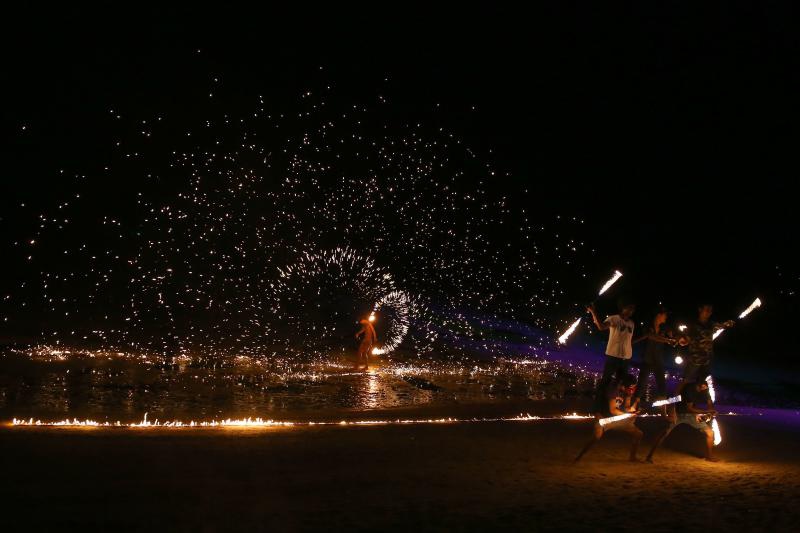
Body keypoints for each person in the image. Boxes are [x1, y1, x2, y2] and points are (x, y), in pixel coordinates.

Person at [645, 378, 720, 462]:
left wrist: (710, 412)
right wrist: (707, 411)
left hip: (691, 415)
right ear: (701, 386)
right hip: (677, 414)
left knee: (710, 433)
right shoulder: (689, 389)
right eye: (705, 387)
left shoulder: (705, 389)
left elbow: (709, 403)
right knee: (663, 433)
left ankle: (709, 457)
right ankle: (649, 456)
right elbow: (690, 408)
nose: (706, 389)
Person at [575, 373, 643, 462]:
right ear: (623, 385)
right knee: (596, 436)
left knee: (638, 434)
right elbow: (613, 410)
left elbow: (627, 407)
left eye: (633, 387)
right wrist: (627, 415)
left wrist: (633, 411)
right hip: (604, 418)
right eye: (630, 387)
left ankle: (632, 457)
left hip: (618, 419)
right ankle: (579, 456)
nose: (632, 390)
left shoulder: (628, 392)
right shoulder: (613, 389)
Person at [676, 303, 735, 393]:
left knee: (703, 383)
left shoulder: (711, 324)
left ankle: (695, 399)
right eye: (706, 309)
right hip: (695, 360)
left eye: (710, 310)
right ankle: (674, 399)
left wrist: (728, 324)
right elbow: (687, 339)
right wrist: (683, 341)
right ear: (700, 309)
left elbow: (722, 325)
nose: (709, 312)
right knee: (685, 381)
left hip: (707, 359)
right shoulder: (693, 325)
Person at [587, 301, 636, 394]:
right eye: (629, 307)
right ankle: (600, 401)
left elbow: (628, 339)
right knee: (606, 380)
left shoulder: (631, 323)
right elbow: (601, 327)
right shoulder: (614, 319)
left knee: (621, 383)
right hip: (613, 356)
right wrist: (593, 312)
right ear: (623, 308)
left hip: (626, 358)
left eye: (633, 308)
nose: (632, 310)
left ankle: (614, 400)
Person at [632, 305, 676, 408]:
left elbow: (673, 336)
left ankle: (663, 410)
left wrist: (677, 339)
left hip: (658, 359)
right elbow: (651, 336)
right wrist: (668, 340)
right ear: (659, 315)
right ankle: (633, 405)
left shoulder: (664, 328)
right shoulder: (648, 325)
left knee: (662, 384)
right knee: (642, 382)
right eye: (665, 315)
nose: (666, 317)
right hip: (647, 358)